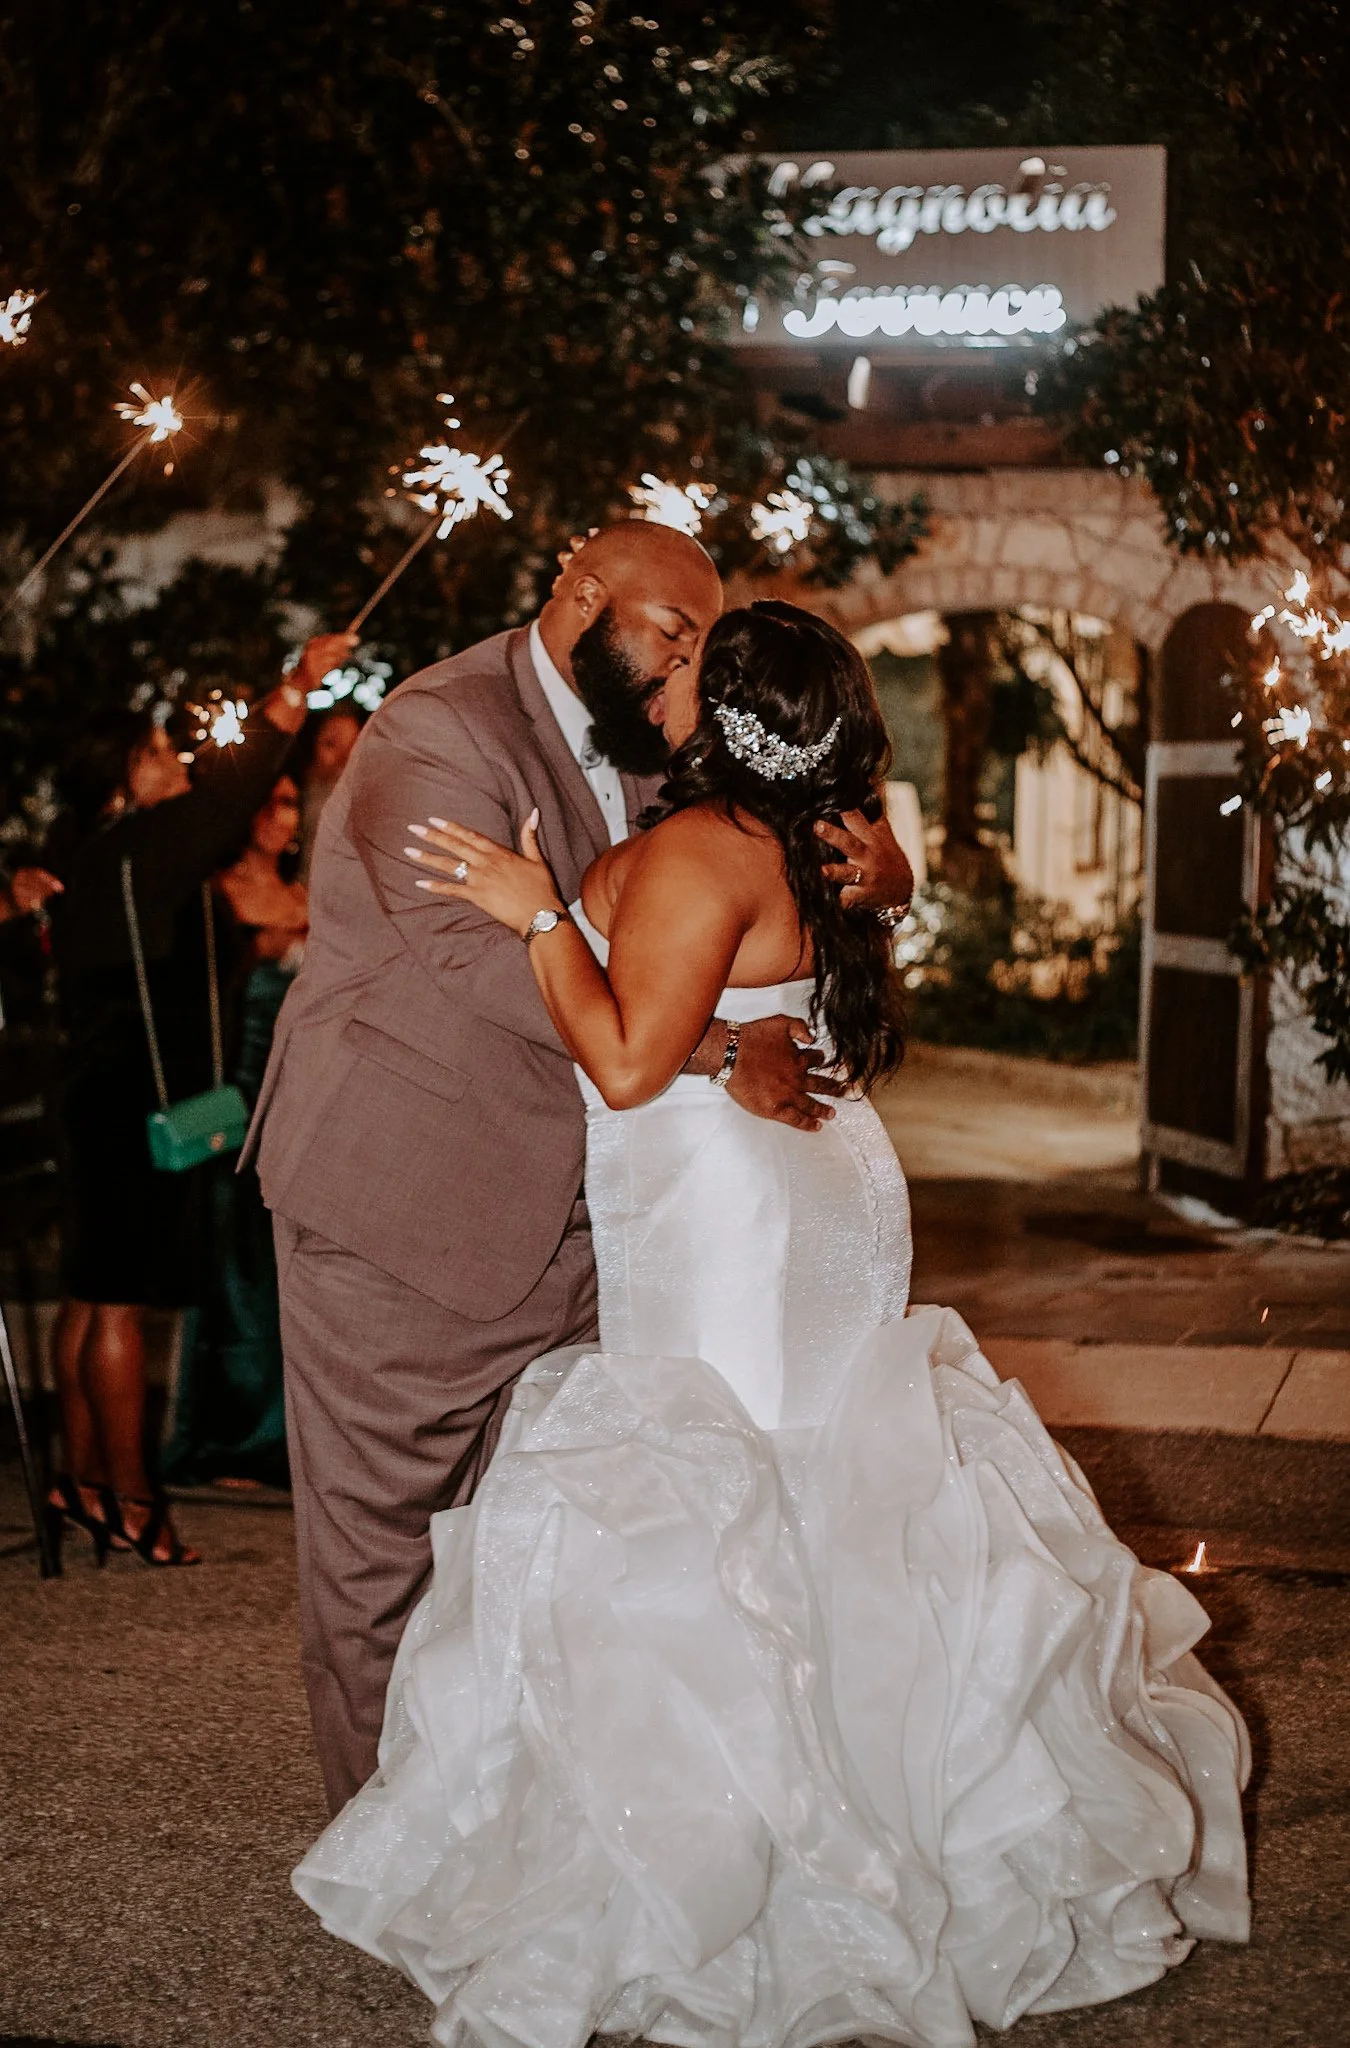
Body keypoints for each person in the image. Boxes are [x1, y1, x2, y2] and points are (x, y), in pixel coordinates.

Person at [294, 600, 1250, 2046]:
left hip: (730, 1211)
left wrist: (538, 912)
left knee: (724, 1495)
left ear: (720, 709)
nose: (659, 675)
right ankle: (900, 1817)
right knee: (824, 1481)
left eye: (685, 662)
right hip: (816, 1175)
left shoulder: (693, 851)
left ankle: (759, 1866)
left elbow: (620, 1062)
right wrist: (758, 984)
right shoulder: (821, 831)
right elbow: (785, 950)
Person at [250, 522, 914, 1812]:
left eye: (701, 649)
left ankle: (522, 1838)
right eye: (671, 634)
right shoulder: (437, 730)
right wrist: (717, 1046)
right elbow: (470, 954)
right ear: (587, 593)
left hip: (614, 1229)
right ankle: (393, 1847)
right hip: (415, 1206)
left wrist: (883, 876)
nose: (686, 665)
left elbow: (773, 869)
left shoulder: (672, 747)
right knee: (388, 1552)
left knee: (556, 1546)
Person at [43, 634, 350, 1570]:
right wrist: (296, 685)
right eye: (155, 754)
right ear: (122, 779)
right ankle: (135, 1502)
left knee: (92, 1299)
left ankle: (83, 1479)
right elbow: (234, 790)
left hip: (92, 1095)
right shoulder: (145, 843)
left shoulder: (94, 857)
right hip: (132, 1099)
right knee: (123, 1306)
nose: (175, 762)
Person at [162, 773, 308, 1490]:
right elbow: (194, 993)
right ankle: (229, 1437)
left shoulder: (309, 894)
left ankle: (286, 1430)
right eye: (272, 801)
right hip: (236, 1102)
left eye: (290, 802)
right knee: (235, 1270)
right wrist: (267, 947)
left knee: (288, 1270)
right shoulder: (215, 896)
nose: (285, 816)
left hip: (299, 1100)